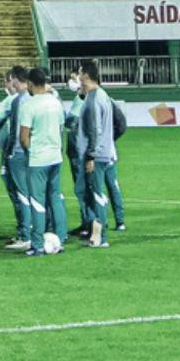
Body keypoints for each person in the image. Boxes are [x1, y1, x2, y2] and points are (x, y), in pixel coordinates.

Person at [18, 67, 67, 256]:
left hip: (38, 159)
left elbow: (24, 137)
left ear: (30, 83)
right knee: (55, 197)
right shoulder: (55, 102)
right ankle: (60, 238)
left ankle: (37, 244)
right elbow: (61, 127)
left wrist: (30, 150)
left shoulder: (29, 105)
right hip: (56, 156)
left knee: (37, 202)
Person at [79, 60, 116, 248]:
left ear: (85, 75)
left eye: (79, 74)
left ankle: (101, 236)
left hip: (97, 155)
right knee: (96, 194)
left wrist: (91, 155)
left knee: (97, 195)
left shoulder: (93, 98)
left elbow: (95, 129)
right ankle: (97, 234)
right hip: (105, 152)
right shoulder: (103, 95)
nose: (78, 78)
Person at [2, 67, 32, 251]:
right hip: (35, 153)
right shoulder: (35, 98)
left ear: (14, 79)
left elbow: (14, 132)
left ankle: (25, 234)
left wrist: (7, 154)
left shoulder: (18, 101)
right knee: (31, 194)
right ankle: (31, 230)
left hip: (19, 152)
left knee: (21, 194)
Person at [65, 70, 94, 239]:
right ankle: (91, 222)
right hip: (83, 150)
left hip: (79, 150)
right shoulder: (91, 99)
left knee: (83, 188)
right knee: (86, 188)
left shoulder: (81, 100)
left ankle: (88, 223)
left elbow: (71, 120)